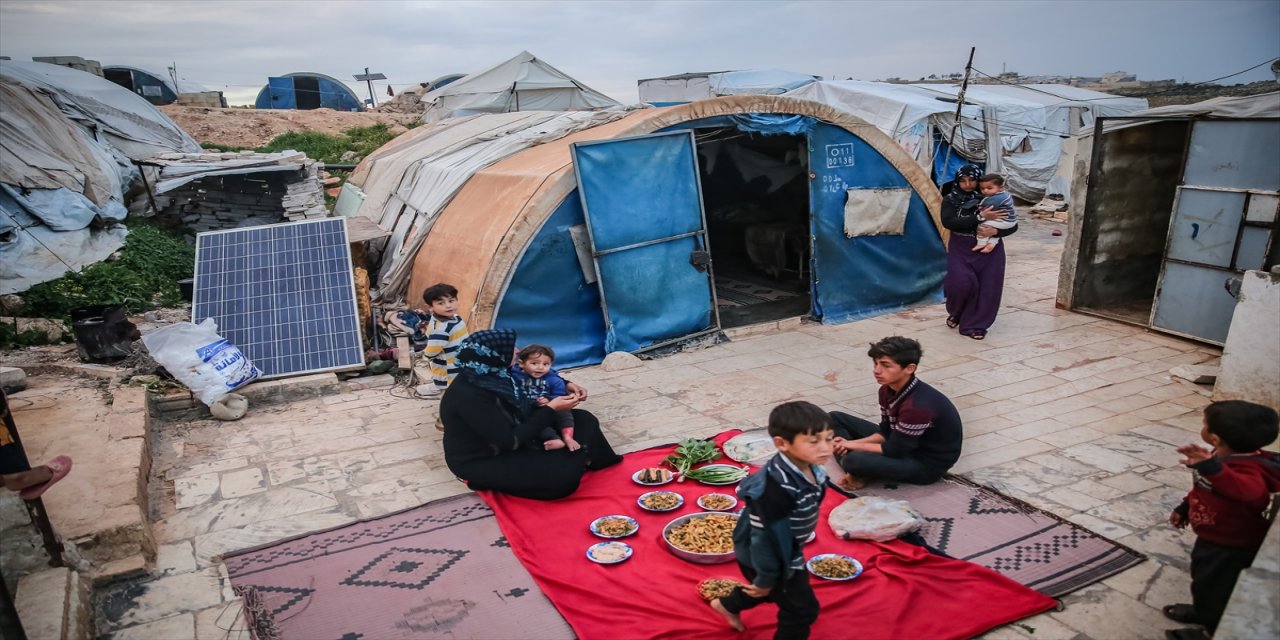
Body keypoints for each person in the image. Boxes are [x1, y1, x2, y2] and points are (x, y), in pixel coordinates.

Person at [440, 329, 621, 500]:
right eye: (511, 349)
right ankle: (575, 457)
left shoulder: (493, 373)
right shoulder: (470, 396)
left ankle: (575, 457)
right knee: (562, 478)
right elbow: (509, 442)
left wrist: (566, 384)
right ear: (494, 355)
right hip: (486, 458)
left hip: (518, 432)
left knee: (584, 418)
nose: (517, 351)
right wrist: (550, 410)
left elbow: (530, 375)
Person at [710, 401, 832, 639]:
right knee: (801, 610)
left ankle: (728, 604)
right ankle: (738, 600)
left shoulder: (812, 468)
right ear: (781, 444)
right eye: (814, 441)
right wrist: (766, 577)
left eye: (829, 438)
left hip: (788, 547)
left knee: (768, 591)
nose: (825, 447)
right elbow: (763, 540)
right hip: (767, 556)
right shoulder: (774, 491)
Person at [1163, 400, 1280, 640]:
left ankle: (1212, 630)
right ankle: (1204, 611)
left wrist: (1210, 468)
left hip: (1230, 546)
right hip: (1214, 536)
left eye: (1205, 423)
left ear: (1215, 438)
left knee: (1215, 587)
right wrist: (1185, 507)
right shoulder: (1218, 456)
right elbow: (1205, 487)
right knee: (1206, 582)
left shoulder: (1248, 470)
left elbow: (1249, 493)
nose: (1202, 425)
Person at [829, 336, 961, 491]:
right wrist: (850, 444)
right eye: (876, 363)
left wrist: (849, 444)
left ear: (909, 368)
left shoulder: (918, 406)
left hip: (925, 464)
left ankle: (858, 469)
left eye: (886, 365)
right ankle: (861, 469)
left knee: (853, 460)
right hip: (902, 442)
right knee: (834, 418)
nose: (877, 370)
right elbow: (886, 431)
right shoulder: (886, 390)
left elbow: (894, 450)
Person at [940, 164, 1018, 340]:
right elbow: (949, 222)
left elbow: (1013, 223)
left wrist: (996, 232)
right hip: (960, 246)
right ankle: (957, 312)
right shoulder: (950, 199)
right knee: (960, 284)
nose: (967, 184)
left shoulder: (992, 196)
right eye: (962, 181)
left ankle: (976, 324)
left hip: (990, 250)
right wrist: (980, 218)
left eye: (972, 180)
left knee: (988, 288)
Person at [510, 344, 578, 452]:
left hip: (551, 406)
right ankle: (553, 438)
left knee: (565, 413)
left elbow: (559, 394)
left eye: (546, 364)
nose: (541, 367)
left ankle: (568, 437)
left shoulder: (553, 379)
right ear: (522, 364)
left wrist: (550, 399)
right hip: (530, 408)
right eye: (534, 363)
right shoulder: (514, 375)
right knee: (533, 419)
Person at [419, 283, 469, 395]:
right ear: (430, 307)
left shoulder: (456, 318)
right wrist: (426, 355)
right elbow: (432, 351)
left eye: (451, 301)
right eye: (441, 303)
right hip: (449, 367)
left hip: (460, 360)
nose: (448, 306)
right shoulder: (441, 329)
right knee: (450, 390)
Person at [972, 174, 1017, 254]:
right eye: (982, 188)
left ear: (1000, 188)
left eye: (989, 188)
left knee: (983, 225)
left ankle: (981, 243)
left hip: (1005, 221)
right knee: (993, 227)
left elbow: (985, 206)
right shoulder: (1004, 195)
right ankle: (991, 244)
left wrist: (980, 208)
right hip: (1009, 221)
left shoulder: (996, 198)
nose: (985, 191)